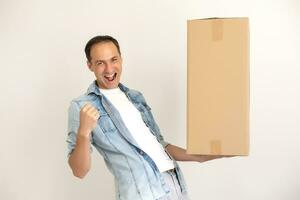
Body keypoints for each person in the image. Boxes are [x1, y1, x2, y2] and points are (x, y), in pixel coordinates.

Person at [66, 35, 228, 200]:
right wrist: (83, 133)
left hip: (175, 188)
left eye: (113, 59)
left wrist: (200, 156)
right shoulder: (81, 106)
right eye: (100, 63)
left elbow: (160, 146)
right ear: (89, 66)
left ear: (121, 59)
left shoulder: (136, 97)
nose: (109, 69)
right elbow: (79, 171)